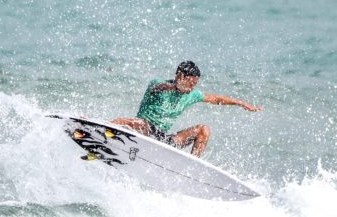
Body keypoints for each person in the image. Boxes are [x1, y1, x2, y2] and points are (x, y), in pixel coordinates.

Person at [111, 60, 263, 157]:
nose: (192, 88)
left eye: (195, 85)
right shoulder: (157, 84)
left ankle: (192, 164)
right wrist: (175, 87)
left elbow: (216, 99)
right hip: (141, 132)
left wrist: (242, 103)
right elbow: (159, 87)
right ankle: (101, 127)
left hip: (163, 139)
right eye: (190, 83)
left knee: (204, 130)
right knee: (141, 124)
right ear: (180, 76)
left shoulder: (191, 94)